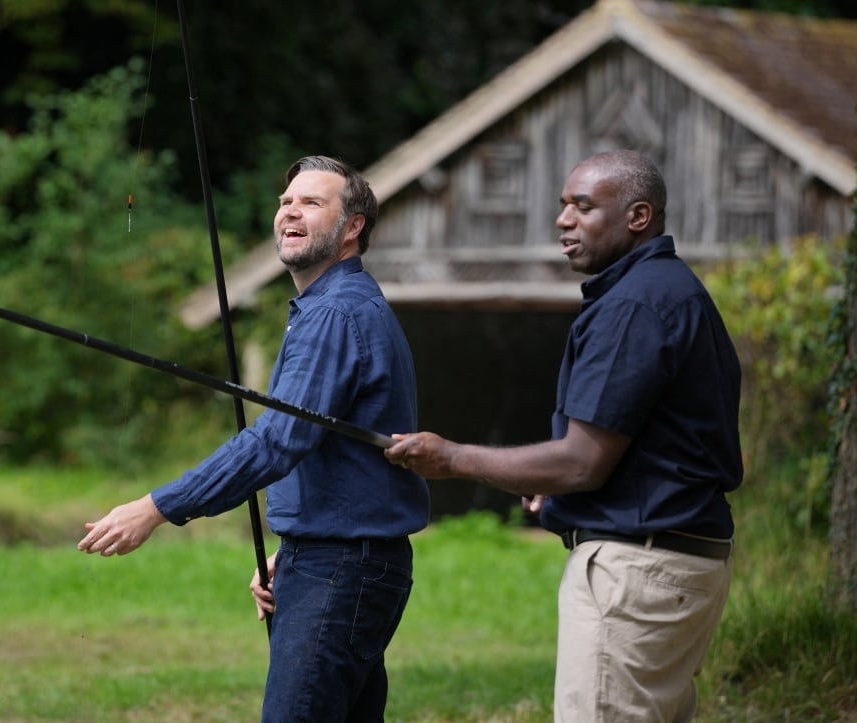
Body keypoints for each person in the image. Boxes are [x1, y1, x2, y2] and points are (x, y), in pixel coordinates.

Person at [384, 150, 742, 723]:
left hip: (636, 573)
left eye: (583, 206)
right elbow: (653, 447)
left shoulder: (634, 305)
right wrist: (559, 485)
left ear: (638, 216)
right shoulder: (671, 291)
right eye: (562, 206)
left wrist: (451, 458)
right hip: (679, 564)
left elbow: (581, 463)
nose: (563, 220)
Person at [79, 154, 430, 722]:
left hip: (342, 572)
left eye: (312, 202)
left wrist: (156, 507)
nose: (290, 211)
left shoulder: (335, 315)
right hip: (336, 562)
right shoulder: (333, 308)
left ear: (352, 227)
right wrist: (293, 551)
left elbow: (277, 441)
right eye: (286, 202)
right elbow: (324, 447)